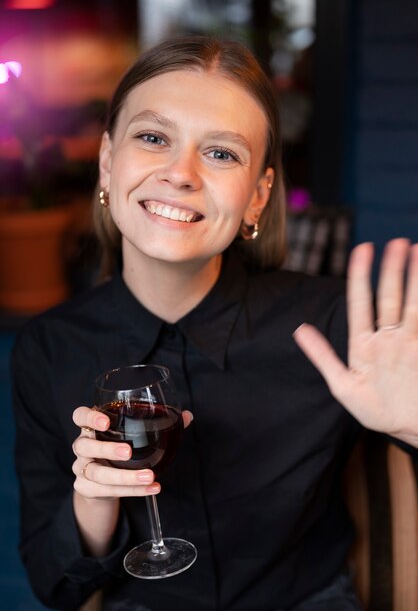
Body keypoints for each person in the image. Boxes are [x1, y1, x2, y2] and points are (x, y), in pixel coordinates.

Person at [11, 35, 418, 611]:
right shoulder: (48, 349)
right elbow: (55, 588)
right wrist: (93, 503)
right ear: (107, 162)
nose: (181, 174)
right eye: (153, 138)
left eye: (222, 153)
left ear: (257, 196)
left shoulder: (336, 323)